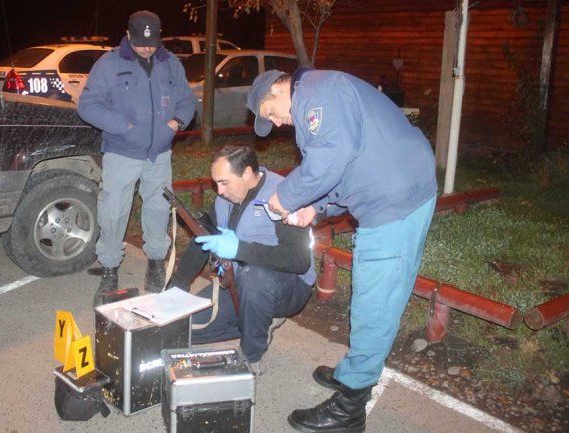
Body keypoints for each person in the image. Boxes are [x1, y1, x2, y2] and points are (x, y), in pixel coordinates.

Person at [246, 69, 437, 433]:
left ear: (277, 89)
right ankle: (353, 372)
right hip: (393, 188)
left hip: (393, 200)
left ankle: (350, 407)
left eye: (271, 113)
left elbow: (330, 157)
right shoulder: (319, 97)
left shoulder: (318, 93)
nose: (278, 123)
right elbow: (341, 169)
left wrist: (284, 198)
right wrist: (315, 208)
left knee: (374, 305)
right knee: (371, 296)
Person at [78, 10, 195, 305]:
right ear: (128, 35)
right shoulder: (109, 64)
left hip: (160, 153)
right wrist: (125, 128)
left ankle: (155, 262)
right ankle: (109, 268)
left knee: (158, 208)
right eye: (141, 43)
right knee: (114, 211)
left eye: (152, 44)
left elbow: (186, 100)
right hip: (122, 152)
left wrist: (176, 123)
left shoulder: (171, 63)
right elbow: (88, 105)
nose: (146, 49)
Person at [168, 145, 315, 375]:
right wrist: (177, 288)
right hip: (237, 283)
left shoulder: (284, 196)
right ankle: (256, 321)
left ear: (247, 173)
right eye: (216, 183)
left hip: (287, 286)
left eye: (224, 182)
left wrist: (239, 249)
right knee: (178, 328)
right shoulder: (224, 199)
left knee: (253, 277)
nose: (219, 190)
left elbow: (299, 260)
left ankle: (252, 354)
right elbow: (203, 241)